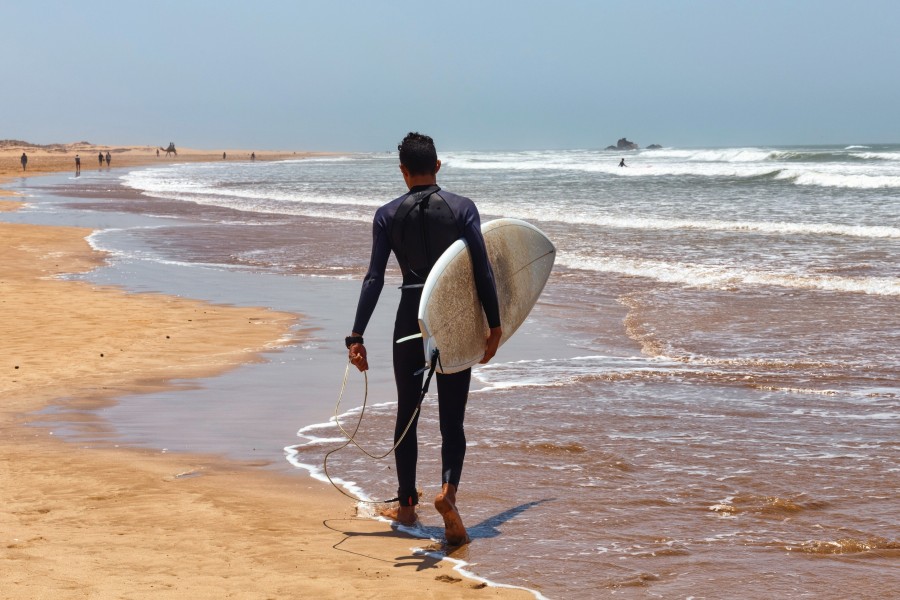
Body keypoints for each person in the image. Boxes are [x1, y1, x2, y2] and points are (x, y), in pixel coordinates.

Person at [346, 132, 502, 546]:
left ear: (403, 172)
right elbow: (483, 270)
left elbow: (375, 278)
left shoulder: (386, 215)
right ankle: (448, 493)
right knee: (453, 418)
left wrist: (356, 334)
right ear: (437, 166)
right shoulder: (463, 208)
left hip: (408, 321)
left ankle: (408, 506)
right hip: (452, 320)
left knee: (407, 414)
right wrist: (495, 323)